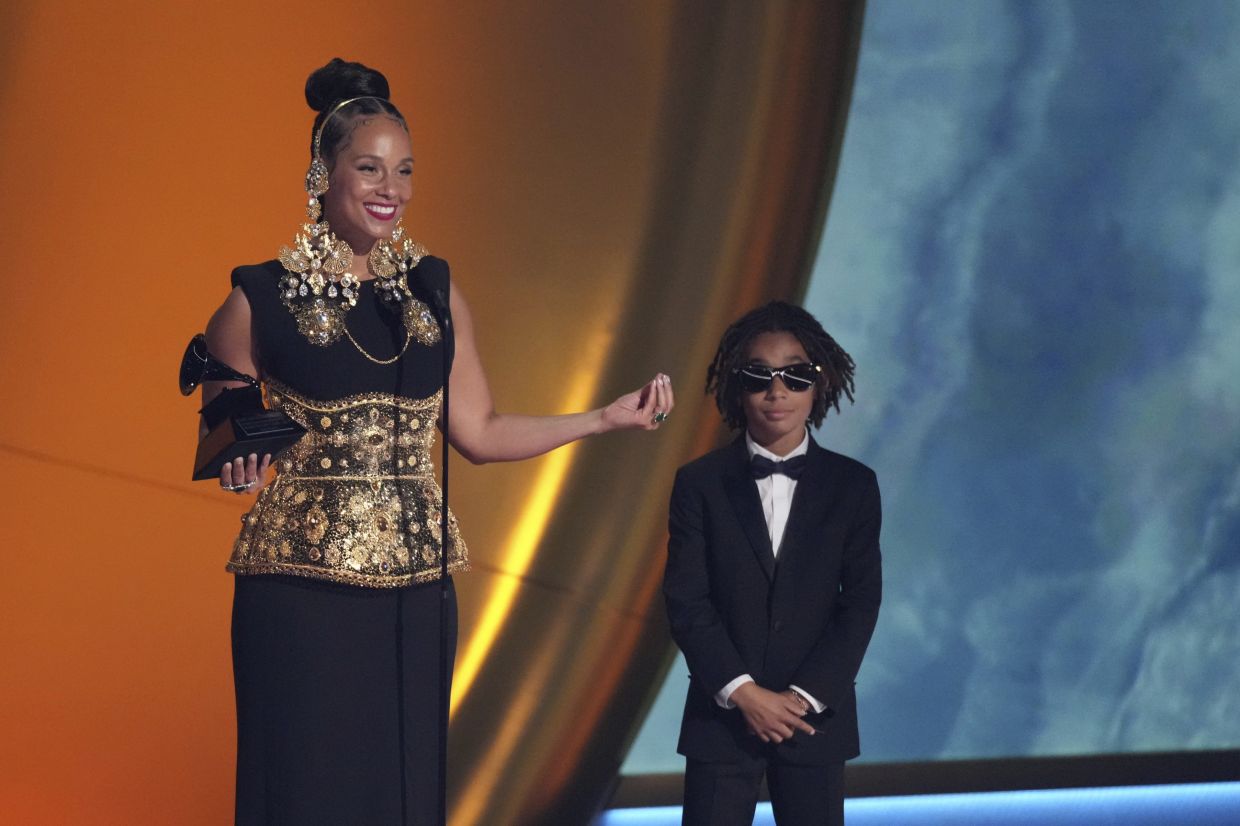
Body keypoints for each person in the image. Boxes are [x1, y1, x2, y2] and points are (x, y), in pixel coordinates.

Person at [198, 58, 674, 825]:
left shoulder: (432, 291)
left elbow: (479, 433)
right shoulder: (259, 298)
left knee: (404, 791)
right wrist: (239, 461)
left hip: (418, 593)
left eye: (406, 170)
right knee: (306, 790)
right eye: (370, 168)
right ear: (323, 175)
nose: (392, 189)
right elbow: (226, 435)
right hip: (300, 591)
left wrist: (601, 419)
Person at [662, 301, 881, 826]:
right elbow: (687, 600)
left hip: (814, 723)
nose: (777, 391)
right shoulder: (700, 483)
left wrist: (802, 699)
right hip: (722, 721)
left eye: (796, 375)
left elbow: (861, 602)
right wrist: (744, 694)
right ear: (738, 387)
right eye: (759, 375)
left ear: (819, 384)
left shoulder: (853, 485)